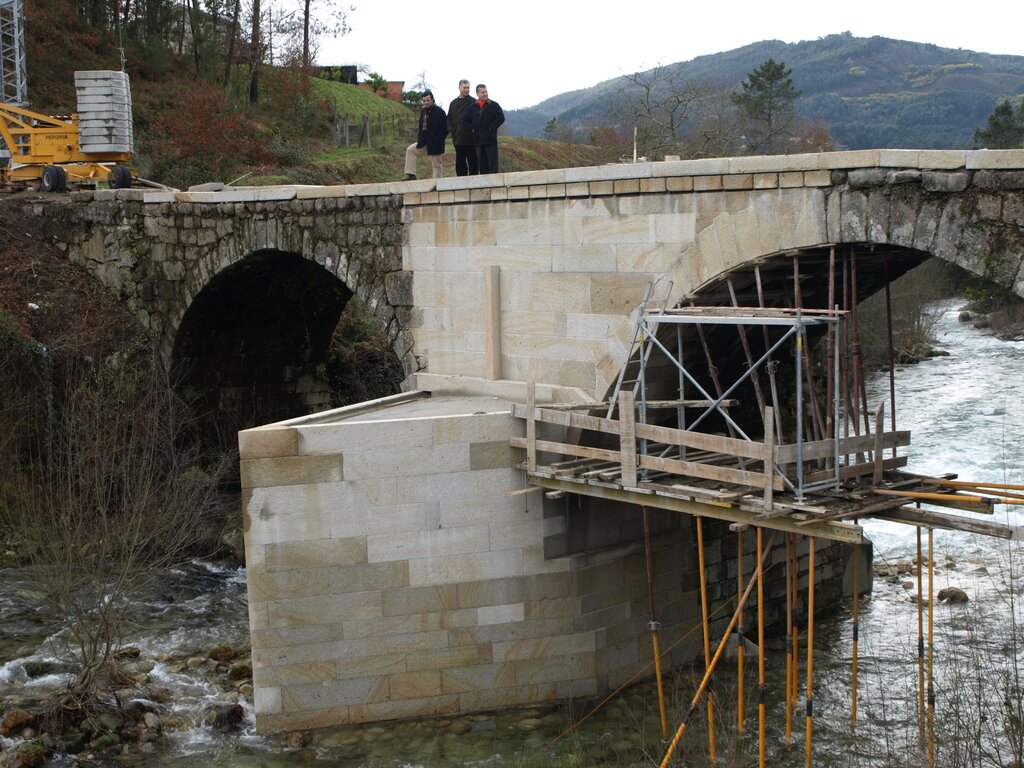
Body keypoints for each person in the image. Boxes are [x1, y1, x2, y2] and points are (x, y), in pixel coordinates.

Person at [403, 91, 448, 180]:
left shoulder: (440, 112)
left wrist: (438, 140)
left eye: (428, 100)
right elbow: (420, 126)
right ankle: (411, 174)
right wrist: (420, 138)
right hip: (423, 141)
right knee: (410, 150)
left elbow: (445, 129)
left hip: (436, 142)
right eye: (424, 101)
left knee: (436, 165)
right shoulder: (423, 111)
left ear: (432, 99)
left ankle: (437, 184)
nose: (426, 102)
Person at [465, 84, 505, 175]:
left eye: (486, 91)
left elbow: (501, 118)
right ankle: (484, 182)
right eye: (483, 92)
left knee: (493, 165)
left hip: (490, 140)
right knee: (482, 165)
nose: (485, 94)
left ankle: (494, 182)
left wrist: (491, 128)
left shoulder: (494, 105)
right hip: (478, 141)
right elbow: (465, 120)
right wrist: (472, 129)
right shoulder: (472, 107)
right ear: (477, 93)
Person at [447, 79, 478, 176]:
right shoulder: (453, 103)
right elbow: (449, 118)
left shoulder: (474, 102)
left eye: (468, 88)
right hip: (458, 138)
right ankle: (461, 181)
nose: (467, 90)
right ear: (459, 88)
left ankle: (474, 181)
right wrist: (452, 131)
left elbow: (478, 118)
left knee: (473, 162)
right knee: (460, 163)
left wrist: (473, 129)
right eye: (464, 88)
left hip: (471, 138)